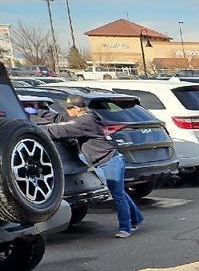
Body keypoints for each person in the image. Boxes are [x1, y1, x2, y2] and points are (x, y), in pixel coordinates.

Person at [37, 95, 142, 238]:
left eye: (69, 108)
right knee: (120, 192)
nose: (66, 111)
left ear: (77, 109)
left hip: (110, 161)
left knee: (118, 195)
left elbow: (60, 130)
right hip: (104, 161)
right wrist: (36, 111)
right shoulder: (81, 117)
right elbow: (59, 119)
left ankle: (126, 228)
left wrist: (34, 129)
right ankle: (137, 219)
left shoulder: (85, 122)